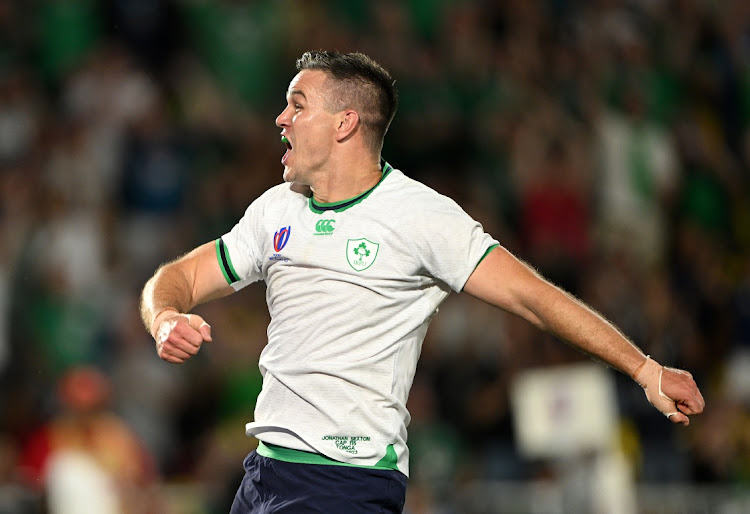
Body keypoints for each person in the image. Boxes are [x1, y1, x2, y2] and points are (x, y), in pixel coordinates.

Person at [140, 50, 705, 513]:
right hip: (264, 474)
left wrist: (644, 368)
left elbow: (534, 297)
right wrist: (165, 316)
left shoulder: (421, 217)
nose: (281, 120)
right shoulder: (275, 210)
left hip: (346, 484)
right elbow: (181, 276)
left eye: (297, 105)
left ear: (345, 123)